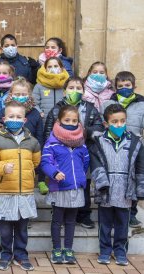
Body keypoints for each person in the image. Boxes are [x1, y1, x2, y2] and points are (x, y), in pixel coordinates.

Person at [0, 101, 41, 271]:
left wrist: (29, 172)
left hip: (25, 192)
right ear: (4, 118)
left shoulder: (32, 141)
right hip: (5, 192)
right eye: (11, 116)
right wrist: (2, 167)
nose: (14, 119)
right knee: (5, 229)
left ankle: (21, 255)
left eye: (18, 117)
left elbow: (36, 161)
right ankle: (5, 254)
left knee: (22, 228)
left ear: (24, 120)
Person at [44, 76, 104, 229]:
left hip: (83, 151)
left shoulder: (90, 108)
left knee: (83, 183)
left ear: (84, 91)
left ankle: (83, 215)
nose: (75, 91)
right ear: (64, 91)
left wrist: (84, 132)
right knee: (61, 183)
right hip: (61, 154)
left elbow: (99, 128)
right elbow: (48, 130)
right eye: (71, 88)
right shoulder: (57, 109)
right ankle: (59, 213)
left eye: (78, 88)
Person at [90, 104, 144, 266]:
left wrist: (140, 188)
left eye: (122, 121)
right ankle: (105, 250)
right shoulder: (98, 142)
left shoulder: (135, 142)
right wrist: (101, 183)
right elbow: (95, 164)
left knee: (122, 224)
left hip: (125, 191)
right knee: (105, 224)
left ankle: (120, 251)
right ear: (106, 124)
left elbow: (140, 166)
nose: (119, 125)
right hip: (106, 190)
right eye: (115, 122)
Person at [41, 105, 90, 264]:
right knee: (57, 220)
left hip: (75, 189)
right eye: (67, 120)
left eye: (74, 120)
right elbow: (45, 162)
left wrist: (80, 177)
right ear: (59, 121)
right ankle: (56, 249)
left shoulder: (81, 144)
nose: (71, 123)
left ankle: (68, 249)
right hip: (59, 188)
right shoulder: (52, 142)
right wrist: (54, 173)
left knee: (70, 221)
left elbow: (85, 162)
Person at [103, 71, 144, 228]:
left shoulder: (141, 103)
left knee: (133, 181)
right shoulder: (108, 103)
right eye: (120, 86)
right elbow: (102, 124)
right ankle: (112, 212)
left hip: (135, 147)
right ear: (115, 88)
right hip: (113, 147)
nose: (124, 88)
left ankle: (131, 213)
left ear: (134, 86)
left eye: (128, 85)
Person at [33, 57, 69, 122]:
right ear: (45, 69)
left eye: (56, 66)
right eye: (49, 67)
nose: (53, 69)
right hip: (44, 121)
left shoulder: (67, 84)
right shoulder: (39, 86)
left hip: (62, 121)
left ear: (61, 68)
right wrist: (40, 112)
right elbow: (34, 102)